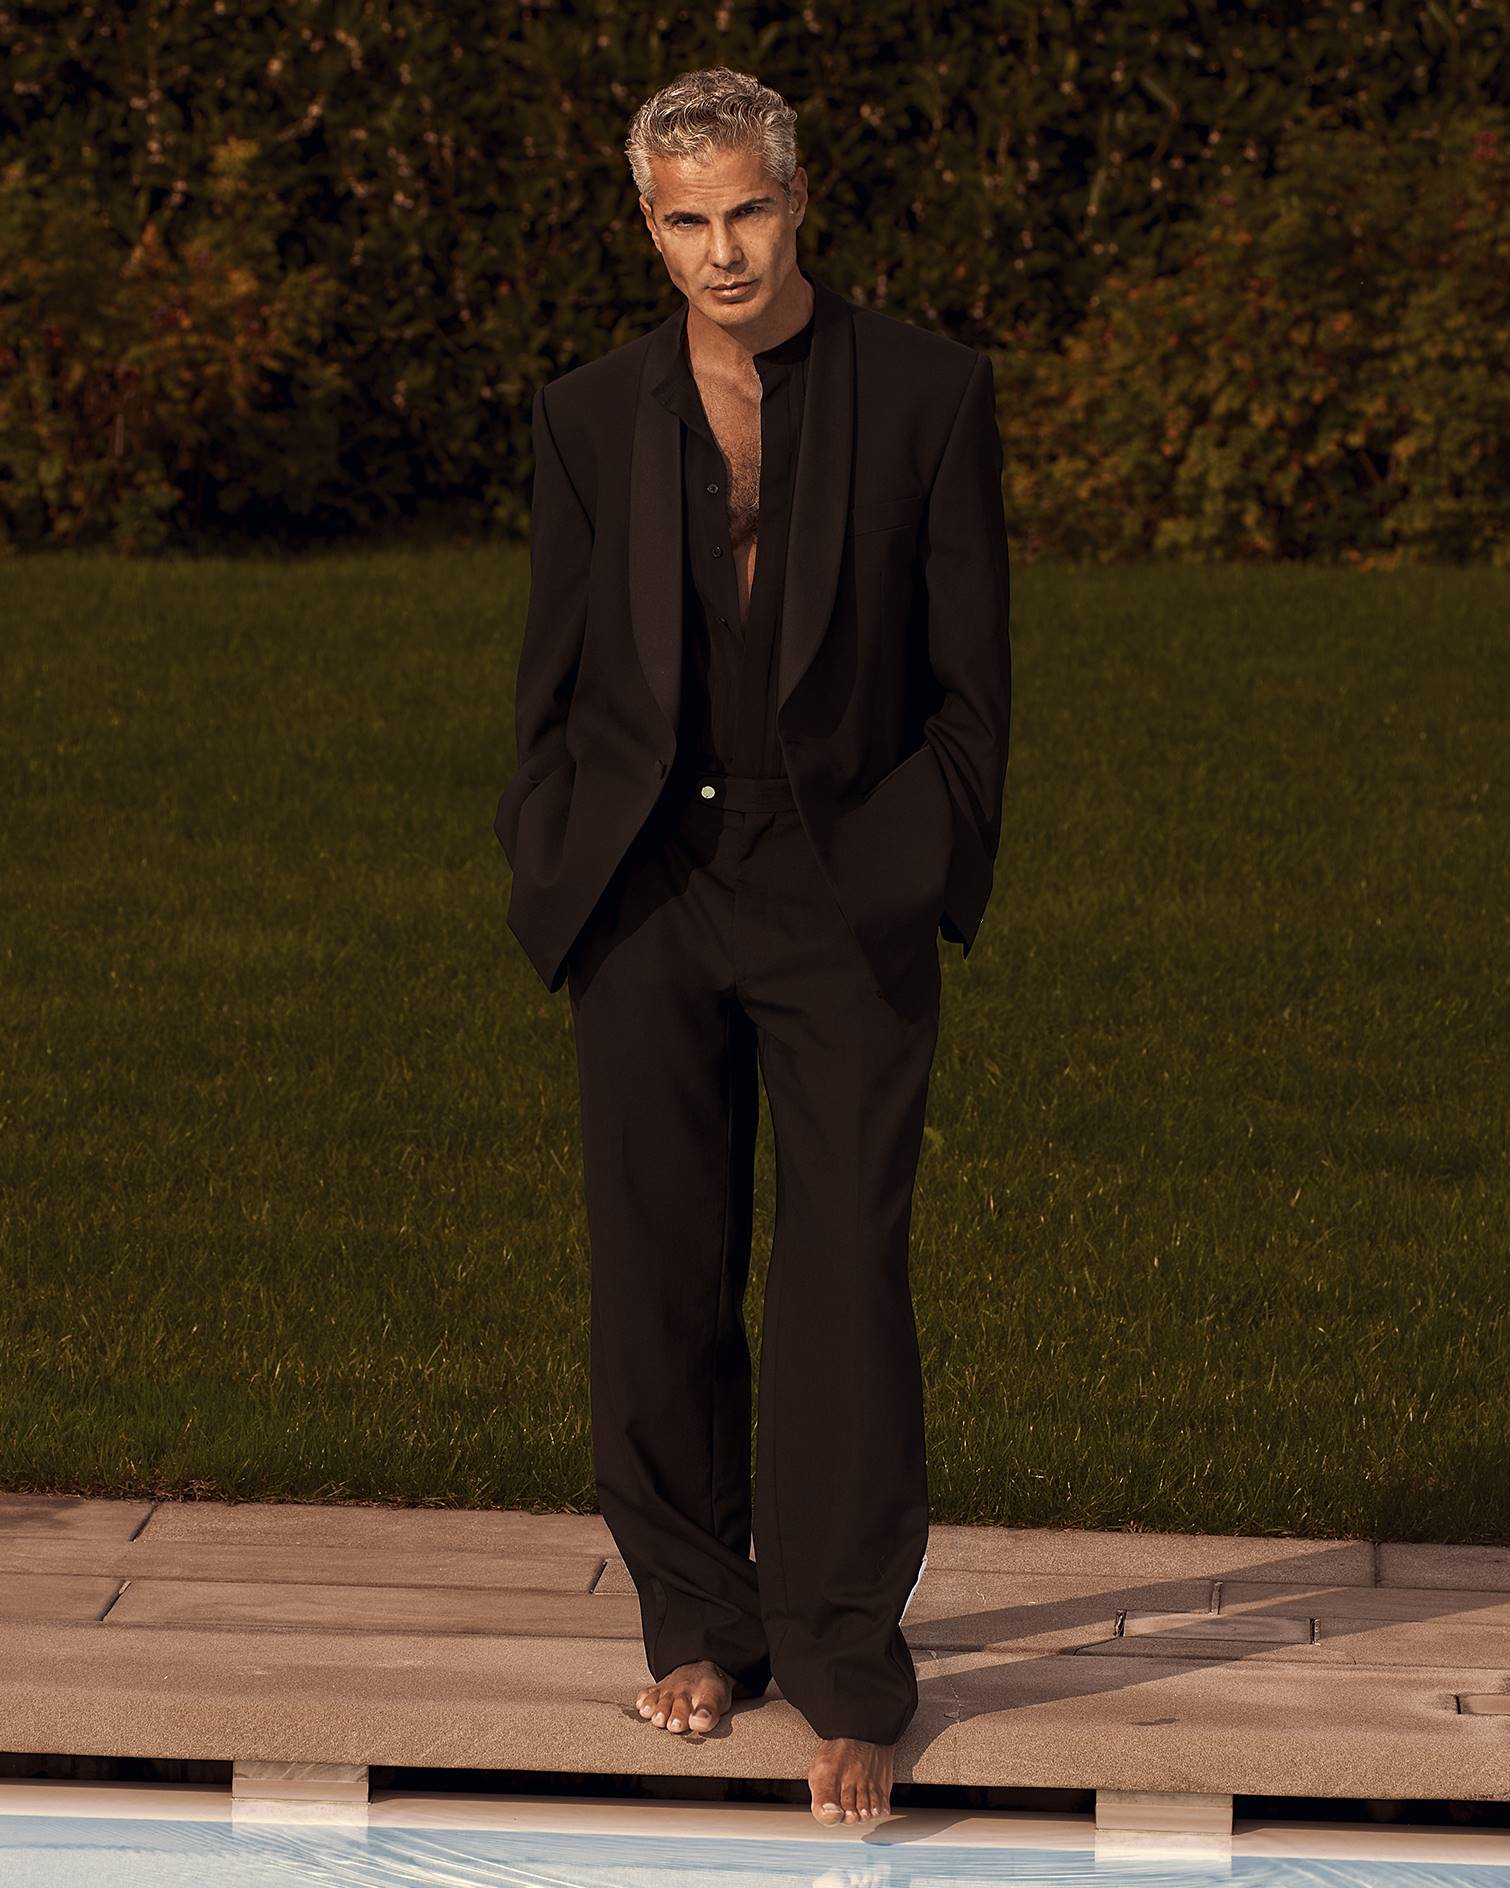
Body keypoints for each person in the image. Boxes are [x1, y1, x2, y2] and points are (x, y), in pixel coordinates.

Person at [495, 65, 1011, 1826]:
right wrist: (551, 855)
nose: (723, 251)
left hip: (839, 887)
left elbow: (970, 686)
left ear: (799, 203)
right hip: (644, 886)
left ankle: (848, 1670)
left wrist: (908, 865)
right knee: (656, 1266)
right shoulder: (587, 413)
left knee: (843, 1274)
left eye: (748, 212)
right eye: (687, 222)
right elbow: (554, 669)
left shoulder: (928, 391)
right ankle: (699, 1622)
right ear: (648, 228)